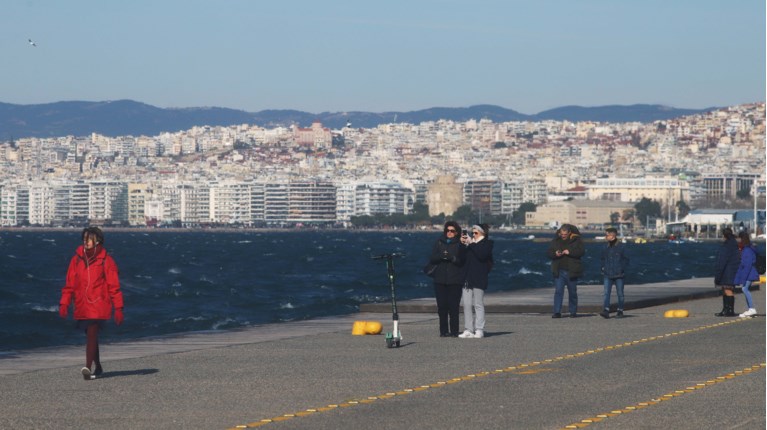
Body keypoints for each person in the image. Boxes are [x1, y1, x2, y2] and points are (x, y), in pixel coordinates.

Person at [59, 227, 124, 380]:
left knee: (92, 333)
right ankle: (98, 366)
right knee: (90, 336)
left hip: (99, 304)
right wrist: (64, 303)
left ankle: (87, 367)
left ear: (97, 241)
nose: (85, 241)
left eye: (89, 239)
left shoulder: (106, 260)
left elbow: (114, 287)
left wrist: (119, 308)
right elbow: (69, 284)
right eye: (84, 238)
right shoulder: (76, 259)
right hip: (82, 304)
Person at [428, 221, 466, 337]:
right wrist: (441, 257)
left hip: (455, 280)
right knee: (442, 307)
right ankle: (443, 331)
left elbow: (462, 261)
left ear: (456, 232)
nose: (449, 233)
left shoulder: (460, 244)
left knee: (453, 307)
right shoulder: (439, 242)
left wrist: (452, 258)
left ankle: (454, 331)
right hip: (440, 280)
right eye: (447, 231)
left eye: (452, 231)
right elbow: (432, 258)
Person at [458, 224, 494, 339]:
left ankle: (479, 329)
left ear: (482, 233)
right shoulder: (470, 244)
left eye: (476, 233)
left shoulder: (487, 244)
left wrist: (472, 243)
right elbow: (461, 257)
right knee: (467, 304)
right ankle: (468, 329)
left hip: (479, 277)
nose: (473, 235)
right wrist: (462, 244)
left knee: (478, 304)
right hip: (467, 278)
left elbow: (482, 255)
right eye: (472, 232)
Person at [547, 224, 585, 318]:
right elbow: (549, 253)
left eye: (565, 234)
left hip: (571, 270)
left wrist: (570, 252)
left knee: (572, 292)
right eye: (561, 234)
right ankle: (557, 312)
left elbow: (581, 252)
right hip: (559, 270)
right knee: (558, 291)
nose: (563, 236)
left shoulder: (576, 240)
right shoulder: (555, 241)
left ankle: (573, 312)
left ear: (569, 233)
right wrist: (555, 253)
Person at [599, 227, 629, 319]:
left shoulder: (621, 247)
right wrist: (602, 268)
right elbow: (602, 259)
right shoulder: (605, 247)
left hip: (619, 274)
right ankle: (606, 310)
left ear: (612, 235)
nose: (605, 237)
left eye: (607, 235)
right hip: (607, 274)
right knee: (606, 293)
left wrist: (621, 269)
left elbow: (626, 260)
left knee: (620, 293)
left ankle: (620, 310)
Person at [713, 227, 739, 317]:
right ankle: (726, 309)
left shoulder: (726, 246)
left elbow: (722, 261)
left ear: (724, 236)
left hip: (727, 272)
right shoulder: (734, 244)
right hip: (732, 270)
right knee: (726, 290)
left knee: (727, 290)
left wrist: (718, 275)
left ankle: (729, 310)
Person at [735, 231, 759, 317]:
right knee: (745, 289)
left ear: (742, 239)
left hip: (750, 273)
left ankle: (752, 308)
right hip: (751, 272)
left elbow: (747, 265)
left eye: (738, 238)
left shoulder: (747, 250)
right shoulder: (748, 248)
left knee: (745, 289)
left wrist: (743, 278)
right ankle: (750, 309)